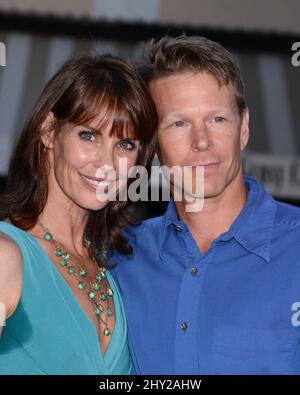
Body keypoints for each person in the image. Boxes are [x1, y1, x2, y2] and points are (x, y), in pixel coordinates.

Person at [109, 36, 300, 374]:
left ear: (244, 128)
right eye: (179, 123)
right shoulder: (120, 259)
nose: (202, 142)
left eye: (217, 119)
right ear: (153, 145)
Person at [0, 54, 157, 374]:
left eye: (125, 144)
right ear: (48, 131)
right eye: (89, 135)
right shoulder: (6, 257)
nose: (108, 163)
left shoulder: (115, 273)